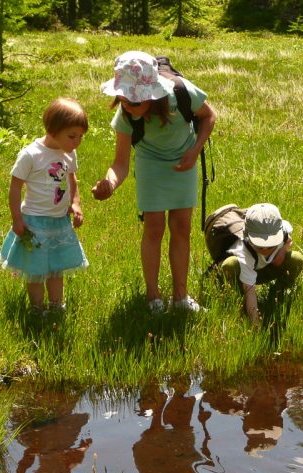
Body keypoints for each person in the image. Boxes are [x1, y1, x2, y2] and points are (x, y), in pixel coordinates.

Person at [92, 51, 216, 313]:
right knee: (154, 228)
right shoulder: (126, 114)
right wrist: (109, 185)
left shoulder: (181, 93)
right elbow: (120, 164)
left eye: (134, 101)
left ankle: (181, 298)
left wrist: (195, 151)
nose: (127, 105)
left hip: (184, 161)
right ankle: (153, 298)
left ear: (152, 94)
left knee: (182, 228)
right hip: (150, 165)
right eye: (123, 99)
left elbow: (209, 116)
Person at [0, 97, 89, 315]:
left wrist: (75, 203)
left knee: (56, 268)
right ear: (53, 130)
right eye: (72, 136)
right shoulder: (31, 154)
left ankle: (57, 306)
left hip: (59, 220)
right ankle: (37, 309)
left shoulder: (69, 153)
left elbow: (72, 180)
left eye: (81, 136)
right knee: (36, 269)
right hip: (34, 221)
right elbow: (15, 187)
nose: (77, 142)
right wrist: (17, 219)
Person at [219, 203, 303, 326]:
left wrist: (282, 250)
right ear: (247, 235)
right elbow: (250, 290)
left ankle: (279, 295)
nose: (265, 249)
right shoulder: (245, 252)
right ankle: (238, 300)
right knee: (230, 264)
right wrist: (255, 323)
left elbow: (289, 239)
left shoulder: (282, 230)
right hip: (246, 274)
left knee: (297, 259)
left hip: (268, 268)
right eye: (260, 245)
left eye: (271, 244)